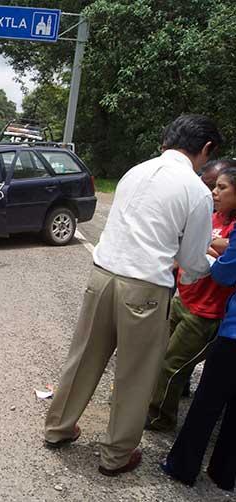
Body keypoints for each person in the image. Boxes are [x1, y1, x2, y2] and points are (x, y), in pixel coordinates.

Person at [43, 115, 223, 477]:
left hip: (103, 274)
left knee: (84, 356)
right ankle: (116, 455)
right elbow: (190, 261)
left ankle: (58, 428)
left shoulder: (135, 171)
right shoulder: (196, 190)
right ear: (204, 149)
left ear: (166, 138)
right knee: (135, 373)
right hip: (144, 286)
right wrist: (210, 259)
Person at [146, 161, 236, 432]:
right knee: (162, 356)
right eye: (213, 187)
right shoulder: (214, 217)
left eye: (221, 188)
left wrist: (210, 244)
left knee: (171, 365)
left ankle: (161, 417)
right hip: (184, 298)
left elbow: (224, 255)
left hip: (206, 313)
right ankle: (162, 400)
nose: (214, 193)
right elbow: (192, 243)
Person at [161, 229, 236, 491]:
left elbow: (225, 273)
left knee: (207, 403)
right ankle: (223, 473)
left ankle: (182, 466)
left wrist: (216, 252)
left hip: (232, 333)